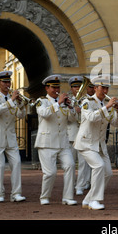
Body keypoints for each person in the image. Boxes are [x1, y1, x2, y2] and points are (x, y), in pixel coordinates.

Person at [74, 75, 118, 210]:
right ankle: (95, 200)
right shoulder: (87, 102)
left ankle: (87, 199)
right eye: (103, 88)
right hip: (86, 143)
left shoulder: (105, 105)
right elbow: (91, 117)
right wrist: (107, 106)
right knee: (99, 166)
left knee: (108, 173)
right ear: (95, 88)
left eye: (107, 88)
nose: (105, 91)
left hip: (99, 145)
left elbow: (116, 123)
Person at [0, 71, 27, 202]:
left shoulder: (13, 98)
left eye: (9, 82)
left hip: (11, 137)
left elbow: (21, 115)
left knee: (17, 163)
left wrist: (21, 104)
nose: (7, 84)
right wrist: (12, 100)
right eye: (5, 82)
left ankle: (16, 193)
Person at [34, 74, 77, 205]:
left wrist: (70, 107)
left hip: (62, 142)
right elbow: (45, 114)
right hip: (46, 143)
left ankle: (68, 197)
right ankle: (44, 196)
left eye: (57, 87)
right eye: (53, 87)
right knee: (50, 173)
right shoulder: (41, 101)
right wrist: (58, 103)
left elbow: (73, 120)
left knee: (70, 165)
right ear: (47, 88)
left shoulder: (63, 103)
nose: (56, 90)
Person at [66, 76, 90, 196]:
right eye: (75, 86)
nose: (77, 89)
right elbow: (67, 118)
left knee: (83, 163)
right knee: (70, 163)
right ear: (71, 88)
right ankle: (71, 184)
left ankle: (80, 185)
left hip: (84, 135)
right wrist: (74, 110)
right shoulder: (68, 100)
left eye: (80, 86)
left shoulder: (88, 100)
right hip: (71, 134)